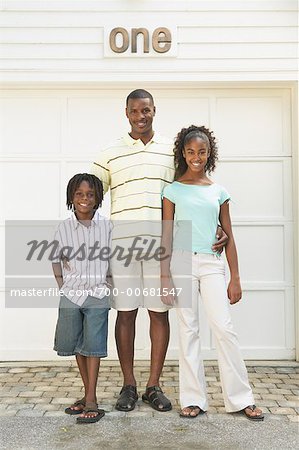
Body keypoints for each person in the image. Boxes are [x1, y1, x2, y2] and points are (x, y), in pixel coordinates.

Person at [92, 90, 227, 413]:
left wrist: (215, 226)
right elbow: (90, 194)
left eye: (147, 110)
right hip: (122, 246)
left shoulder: (171, 151)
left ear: (155, 111)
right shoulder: (110, 152)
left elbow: (194, 187)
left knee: (158, 313)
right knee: (125, 313)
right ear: (126, 113)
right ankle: (128, 385)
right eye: (136, 111)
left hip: (163, 248)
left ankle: (153, 385)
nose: (142, 116)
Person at [161, 125, 264, 421]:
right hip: (180, 263)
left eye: (202, 152)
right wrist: (164, 277)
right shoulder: (172, 190)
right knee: (188, 330)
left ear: (210, 154)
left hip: (210, 264)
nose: (197, 157)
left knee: (223, 328)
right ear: (183, 153)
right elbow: (166, 237)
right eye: (191, 152)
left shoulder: (218, 192)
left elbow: (229, 235)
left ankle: (241, 398)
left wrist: (236, 277)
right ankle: (193, 399)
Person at [52, 173, 112, 424]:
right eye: (79, 194)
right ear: (71, 198)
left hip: (97, 293)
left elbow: (114, 258)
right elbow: (56, 258)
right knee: (77, 344)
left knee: (93, 345)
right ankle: (88, 393)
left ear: (98, 197)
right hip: (72, 294)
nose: (84, 199)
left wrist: (108, 283)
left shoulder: (107, 226)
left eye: (90, 194)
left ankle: (91, 399)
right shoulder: (64, 228)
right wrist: (62, 285)